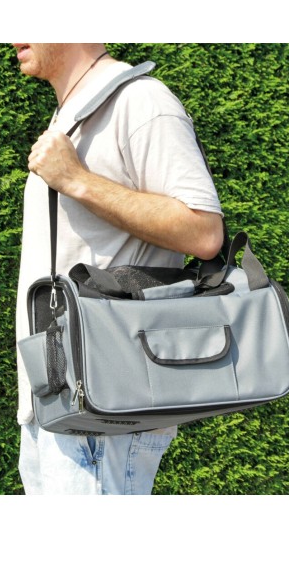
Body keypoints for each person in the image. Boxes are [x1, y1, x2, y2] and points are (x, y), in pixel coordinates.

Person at [14, 43, 224, 495]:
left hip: (107, 414)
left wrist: (77, 180)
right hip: (57, 402)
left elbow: (204, 231)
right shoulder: (73, 112)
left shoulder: (140, 101)